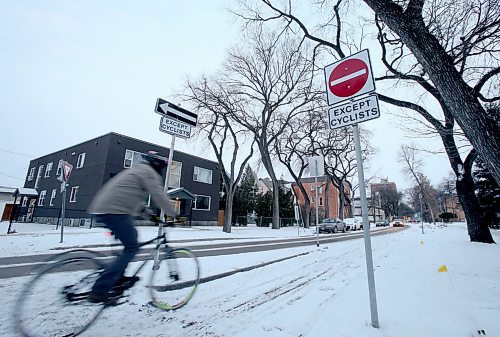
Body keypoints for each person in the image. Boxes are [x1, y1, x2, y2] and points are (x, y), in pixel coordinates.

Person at [87, 151, 177, 303]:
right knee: (131, 247)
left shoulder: (137, 170)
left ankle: (118, 278)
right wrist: (174, 215)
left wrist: (151, 216)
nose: (162, 171)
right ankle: (99, 290)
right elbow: (159, 195)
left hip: (105, 208)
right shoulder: (148, 172)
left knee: (130, 241)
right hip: (114, 211)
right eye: (162, 167)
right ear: (156, 165)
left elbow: (134, 199)